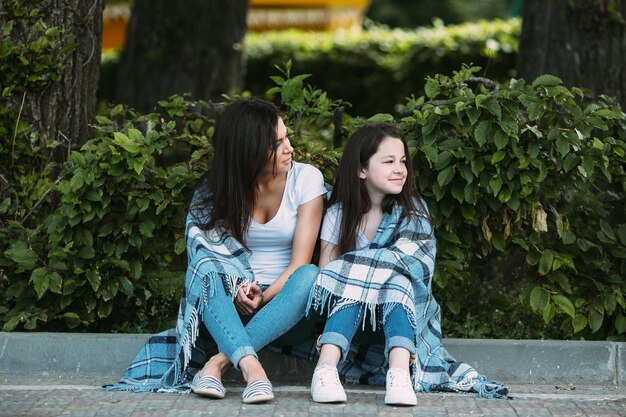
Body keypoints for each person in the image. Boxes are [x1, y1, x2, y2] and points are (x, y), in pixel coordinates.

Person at [104, 98, 326, 404]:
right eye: (277, 143)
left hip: (286, 307)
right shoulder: (215, 191)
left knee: (310, 275)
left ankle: (216, 363)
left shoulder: (306, 179)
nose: (289, 148)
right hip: (229, 306)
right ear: (248, 150)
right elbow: (208, 260)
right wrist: (235, 291)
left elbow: (298, 265)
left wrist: (261, 297)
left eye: (287, 137)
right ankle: (253, 371)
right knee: (205, 270)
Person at [307, 122, 508, 405]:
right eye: (388, 161)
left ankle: (399, 374)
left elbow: (416, 266)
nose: (400, 168)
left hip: (399, 318)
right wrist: (363, 275)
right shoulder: (339, 214)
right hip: (350, 321)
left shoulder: (413, 212)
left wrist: (361, 270)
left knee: (398, 282)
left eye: (402, 161)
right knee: (355, 283)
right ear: (361, 170)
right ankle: (325, 369)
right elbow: (329, 277)